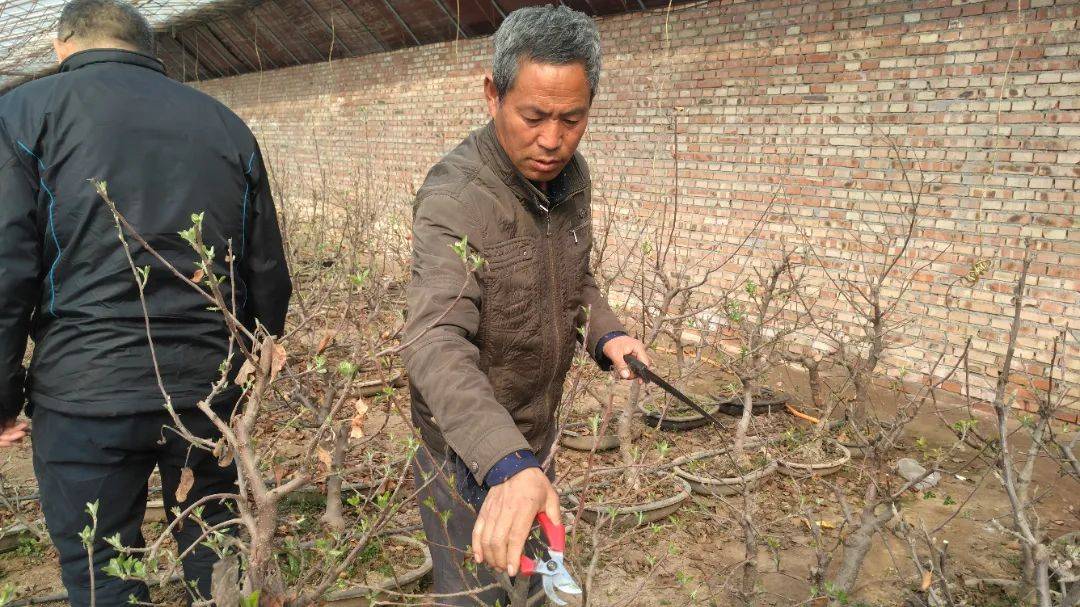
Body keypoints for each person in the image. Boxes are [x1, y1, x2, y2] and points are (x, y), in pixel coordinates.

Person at [0, 0, 291, 604]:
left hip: (87, 396)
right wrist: (258, 351)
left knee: (102, 565)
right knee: (216, 549)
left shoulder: (24, 115)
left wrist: (2, 398)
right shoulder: (224, 123)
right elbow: (263, 262)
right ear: (150, 50)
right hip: (208, 391)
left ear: (63, 46)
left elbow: (7, 268)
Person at [402, 5, 650, 604]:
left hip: (534, 437)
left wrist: (605, 332)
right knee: (474, 593)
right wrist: (503, 462)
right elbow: (433, 341)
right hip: (468, 449)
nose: (552, 140)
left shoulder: (569, 178)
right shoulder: (456, 198)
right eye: (534, 116)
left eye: (572, 119)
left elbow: (570, 275)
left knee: (537, 580)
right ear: (493, 95)